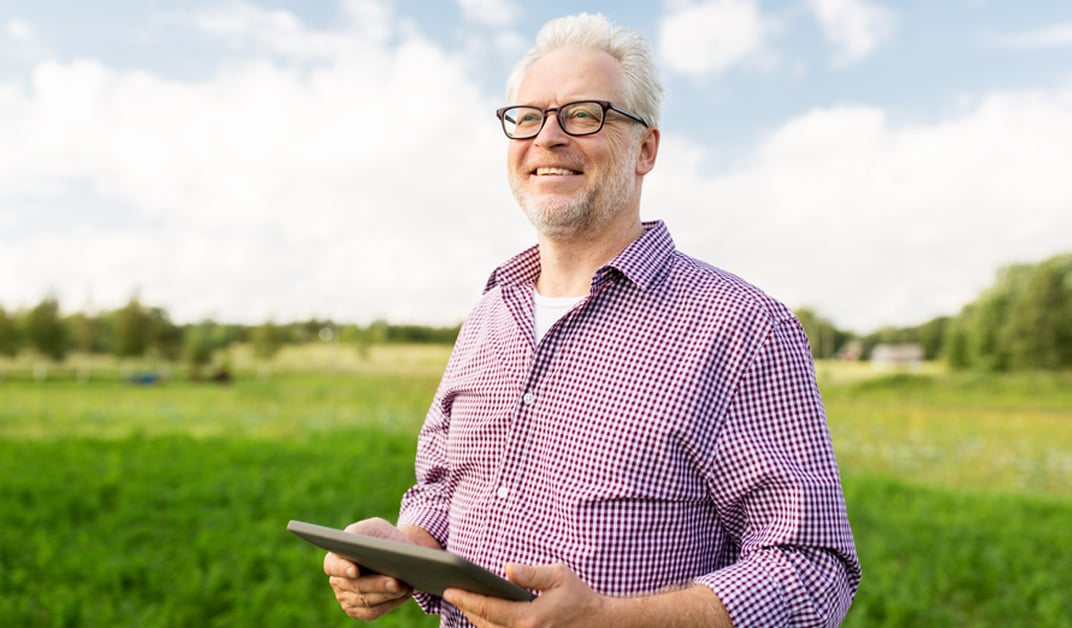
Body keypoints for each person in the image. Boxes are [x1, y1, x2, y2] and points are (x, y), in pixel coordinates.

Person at [324, 13, 861, 627]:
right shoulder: (489, 315)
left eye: (583, 114)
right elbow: (444, 487)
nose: (547, 138)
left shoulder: (742, 327)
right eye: (527, 117)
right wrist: (405, 548)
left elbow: (812, 569)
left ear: (646, 149)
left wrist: (610, 622)